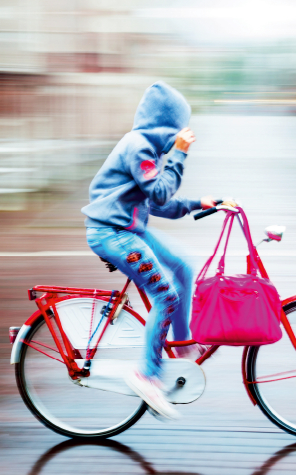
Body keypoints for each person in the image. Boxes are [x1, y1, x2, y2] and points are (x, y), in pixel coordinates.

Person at [82, 81, 216, 420]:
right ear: (166, 123)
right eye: (179, 126)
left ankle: (183, 344)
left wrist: (197, 204)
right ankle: (147, 375)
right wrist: (181, 154)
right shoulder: (139, 147)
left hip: (129, 229)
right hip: (112, 235)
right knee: (166, 296)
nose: (181, 134)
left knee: (184, 265)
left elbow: (160, 204)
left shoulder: (149, 150)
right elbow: (158, 194)